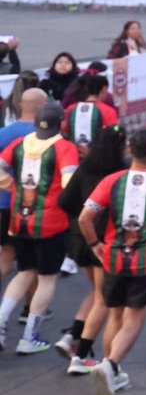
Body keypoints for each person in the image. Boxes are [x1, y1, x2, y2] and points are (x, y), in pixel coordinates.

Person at [80, 127, 146, 395]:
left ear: (129, 150)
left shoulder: (112, 180)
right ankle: (111, 365)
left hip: (112, 258)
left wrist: (95, 245)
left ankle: (112, 370)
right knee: (135, 319)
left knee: (114, 316)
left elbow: (84, 218)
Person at [0, 101, 78, 353]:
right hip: (51, 223)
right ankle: (29, 338)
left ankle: (1, 323)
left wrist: (12, 187)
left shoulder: (19, 144)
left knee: (24, 272)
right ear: (61, 123)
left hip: (19, 220)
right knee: (46, 278)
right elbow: (70, 184)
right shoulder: (65, 147)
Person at [57, 123, 127, 373]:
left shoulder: (85, 167)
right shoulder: (122, 172)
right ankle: (80, 356)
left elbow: (64, 200)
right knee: (103, 300)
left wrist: (80, 216)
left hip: (79, 240)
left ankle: (72, 335)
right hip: (102, 241)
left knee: (97, 292)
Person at [0, 86, 44, 283]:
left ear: (20, 105)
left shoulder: (4, 133)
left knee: (7, 251)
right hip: (32, 205)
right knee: (32, 263)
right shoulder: (45, 136)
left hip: (3, 202)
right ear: (42, 107)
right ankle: (29, 303)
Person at [64, 74, 120, 149]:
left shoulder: (71, 109)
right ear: (104, 90)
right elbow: (113, 136)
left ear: (86, 89)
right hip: (99, 154)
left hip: (73, 153)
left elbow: (65, 132)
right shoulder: (109, 111)